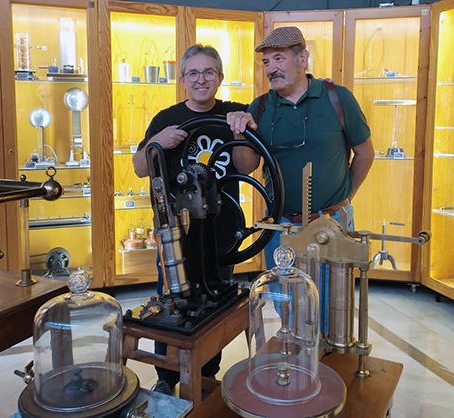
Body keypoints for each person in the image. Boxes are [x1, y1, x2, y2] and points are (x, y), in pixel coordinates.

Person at [132, 44, 248, 396]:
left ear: (220, 77)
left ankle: (206, 376)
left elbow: (247, 167)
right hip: (175, 234)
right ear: (182, 80)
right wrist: (156, 143)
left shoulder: (233, 115)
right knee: (172, 304)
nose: (201, 80)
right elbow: (139, 167)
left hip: (222, 233)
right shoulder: (165, 119)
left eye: (208, 72)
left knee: (216, 302)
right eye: (193, 73)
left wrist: (241, 129)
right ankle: (166, 380)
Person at [227, 26, 374, 269]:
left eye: (278, 59)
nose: (271, 68)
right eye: (266, 62)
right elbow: (247, 166)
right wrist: (238, 131)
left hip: (330, 222)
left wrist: (347, 197)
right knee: (284, 300)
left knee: (331, 300)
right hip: (279, 225)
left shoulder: (337, 98)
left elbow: (365, 152)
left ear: (302, 58)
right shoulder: (260, 106)